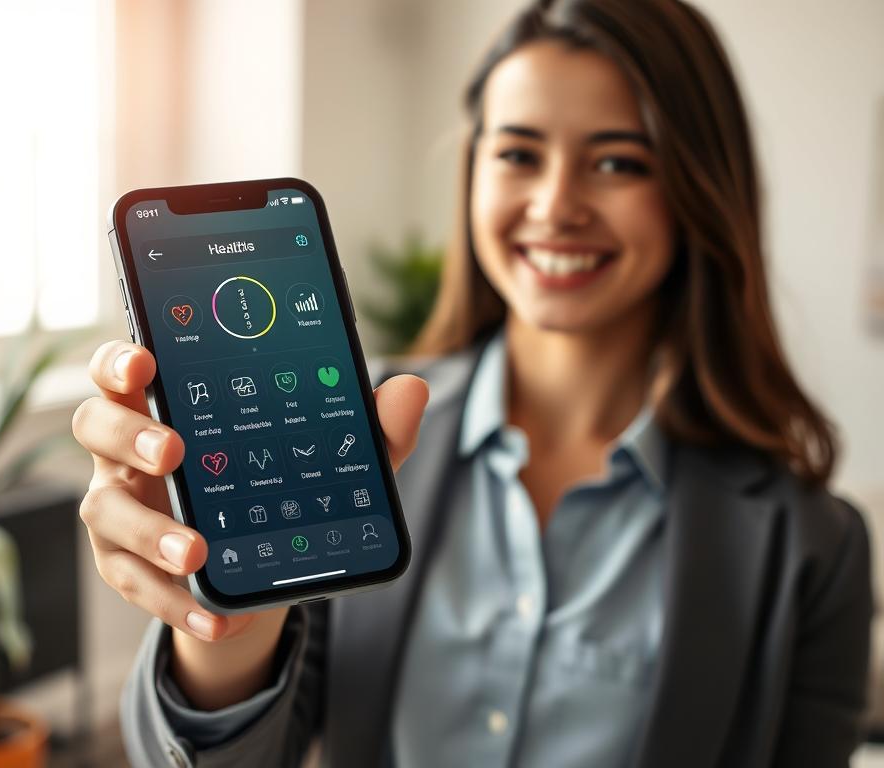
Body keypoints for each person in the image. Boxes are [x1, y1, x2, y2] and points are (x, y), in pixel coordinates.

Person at [72, 1, 873, 766]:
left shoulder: (814, 545)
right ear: (473, 170)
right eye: (519, 154)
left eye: (618, 161)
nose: (556, 205)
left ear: (700, 185)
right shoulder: (360, 431)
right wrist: (227, 630)